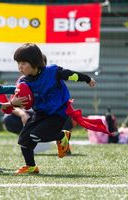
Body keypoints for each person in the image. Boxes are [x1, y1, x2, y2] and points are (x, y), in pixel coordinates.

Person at [13, 43, 96, 174]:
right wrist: (14, 102)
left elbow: (70, 74)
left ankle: (61, 136)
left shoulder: (52, 72)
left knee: (35, 135)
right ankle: (31, 166)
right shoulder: (23, 81)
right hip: (40, 114)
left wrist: (86, 78)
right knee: (24, 140)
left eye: (23, 63)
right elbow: (17, 99)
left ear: (34, 62)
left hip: (57, 114)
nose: (20, 67)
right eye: (18, 63)